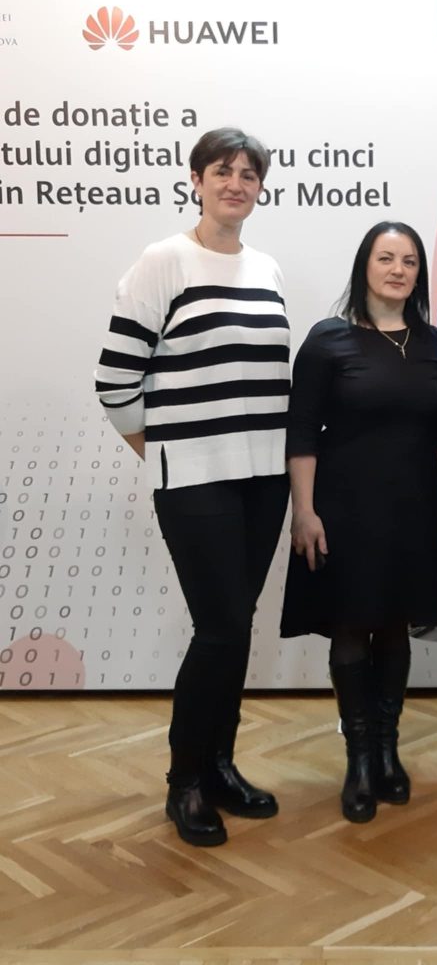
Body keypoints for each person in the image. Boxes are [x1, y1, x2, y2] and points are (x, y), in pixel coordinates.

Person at [95, 127, 290, 848]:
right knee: (220, 629)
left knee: (236, 627)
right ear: (196, 180)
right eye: (222, 171)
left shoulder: (265, 268)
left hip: (264, 478)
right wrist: (166, 454)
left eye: (248, 173)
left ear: (259, 187)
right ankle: (184, 782)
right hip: (195, 481)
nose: (236, 183)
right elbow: (115, 381)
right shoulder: (163, 261)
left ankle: (219, 766)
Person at [281, 221, 437, 824]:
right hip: (344, 509)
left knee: (395, 628)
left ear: (418, 273)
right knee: (353, 627)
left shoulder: (432, 343)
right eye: (386, 258)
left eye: (408, 261)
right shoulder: (328, 339)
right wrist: (304, 511)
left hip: (414, 508)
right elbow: (301, 433)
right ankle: (359, 761)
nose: (397, 270)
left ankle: (388, 751)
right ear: (364, 266)